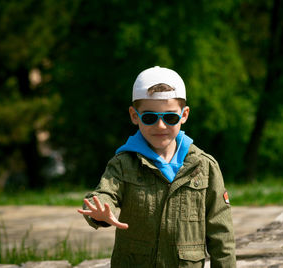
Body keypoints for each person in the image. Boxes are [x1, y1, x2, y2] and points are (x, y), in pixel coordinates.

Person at [77, 66, 236, 267]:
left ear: (184, 115)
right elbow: (103, 195)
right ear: (135, 116)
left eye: (170, 117)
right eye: (150, 117)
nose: (160, 126)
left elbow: (221, 234)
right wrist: (99, 213)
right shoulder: (123, 164)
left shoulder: (204, 166)